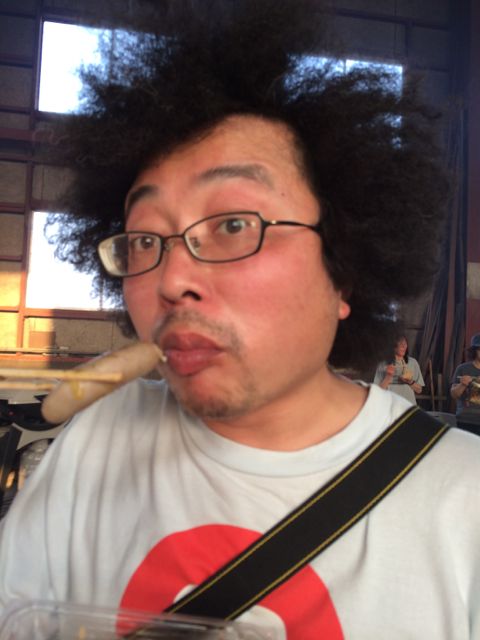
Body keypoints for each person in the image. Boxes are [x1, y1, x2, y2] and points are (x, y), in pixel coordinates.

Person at [1, 1, 479, 638]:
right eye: (144, 239)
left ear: (344, 270)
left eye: (232, 224)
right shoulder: (99, 440)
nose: (171, 279)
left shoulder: (464, 502)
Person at [373, 335, 425, 405]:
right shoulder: (383, 364)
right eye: (400, 343)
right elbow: (377, 392)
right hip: (390, 405)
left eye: (405, 343)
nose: (404, 346)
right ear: (393, 346)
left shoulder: (412, 363)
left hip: (408, 405)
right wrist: (388, 377)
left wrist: (410, 382)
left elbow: (419, 390)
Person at [450, 333, 480, 436]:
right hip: (466, 420)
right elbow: (454, 394)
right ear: (474, 351)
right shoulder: (463, 368)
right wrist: (462, 384)